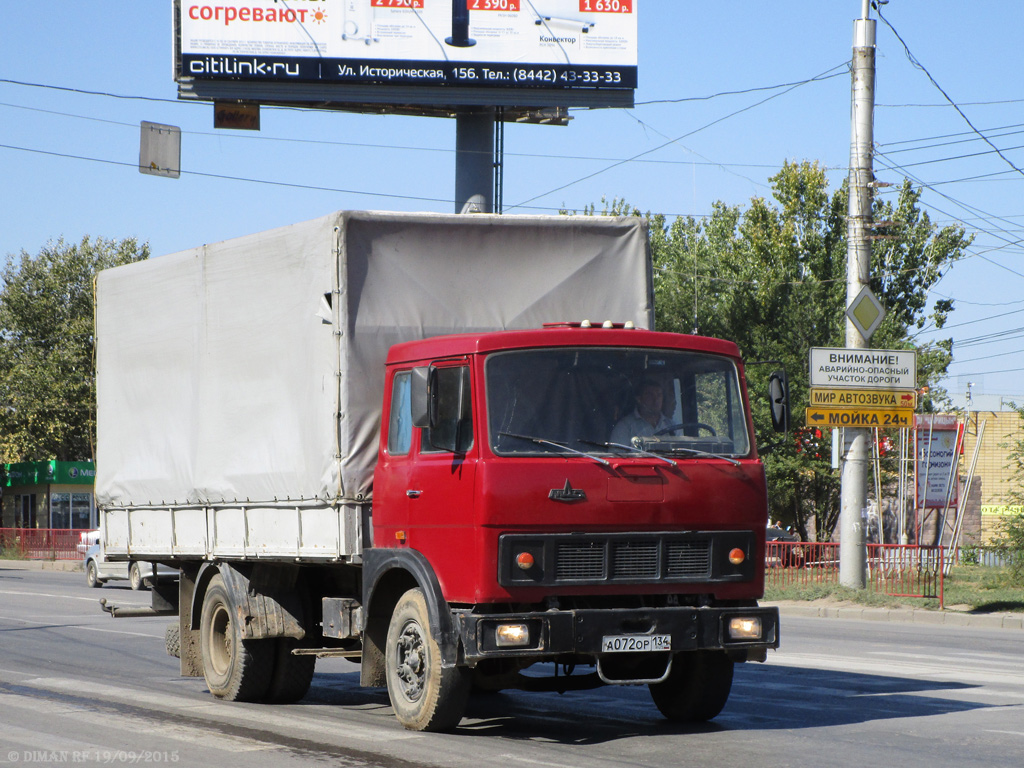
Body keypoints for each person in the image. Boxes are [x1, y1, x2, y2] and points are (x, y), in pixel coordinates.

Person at [610, 378, 674, 445]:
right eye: (650, 395)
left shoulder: (671, 426)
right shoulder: (625, 427)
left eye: (659, 395)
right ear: (639, 399)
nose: (656, 400)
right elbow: (616, 454)